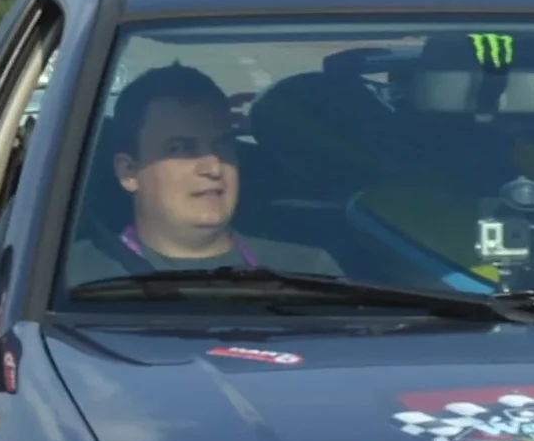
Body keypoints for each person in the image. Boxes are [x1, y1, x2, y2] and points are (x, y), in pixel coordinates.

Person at [64, 65, 338, 283]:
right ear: (129, 172)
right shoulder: (68, 275)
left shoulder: (308, 272)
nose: (214, 167)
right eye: (182, 149)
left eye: (223, 146)